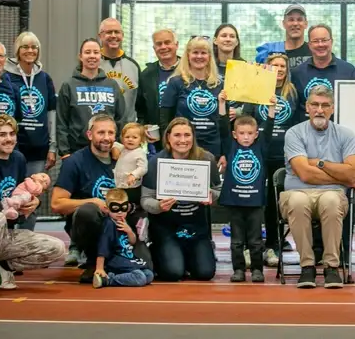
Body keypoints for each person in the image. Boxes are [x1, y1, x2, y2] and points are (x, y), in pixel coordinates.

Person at [0, 115, 65, 300]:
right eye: (2, 135)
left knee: (57, 248)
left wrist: (31, 203)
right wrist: (20, 211)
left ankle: (4, 266)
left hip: (6, 232)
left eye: (12, 134)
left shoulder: (18, 159)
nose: (8, 139)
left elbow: (19, 193)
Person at [280, 85, 355, 289]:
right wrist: (340, 176)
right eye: (315, 105)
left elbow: (353, 173)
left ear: (332, 108)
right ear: (307, 107)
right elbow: (304, 173)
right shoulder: (294, 133)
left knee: (331, 200)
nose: (319, 110)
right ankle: (307, 265)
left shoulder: (346, 135)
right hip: (296, 192)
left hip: (332, 194)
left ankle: (331, 267)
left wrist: (320, 163)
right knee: (298, 201)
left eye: (325, 105)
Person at [141, 118, 220, 282]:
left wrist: (210, 194)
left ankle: (190, 255)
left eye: (187, 135)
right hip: (166, 228)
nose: (182, 140)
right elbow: (145, 199)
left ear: (193, 136)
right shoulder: (156, 162)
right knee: (173, 273)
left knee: (205, 273)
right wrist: (158, 205)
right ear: (168, 137)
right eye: (177, 135)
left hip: (196, 228)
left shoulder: (206, 159)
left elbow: (219, 191)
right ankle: (159, 250)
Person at [51, 114, 120, 283]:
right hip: (91, 224)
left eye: (111, 133)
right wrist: (93, 201)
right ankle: (92, 260)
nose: (106, 138)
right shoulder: (74, 162)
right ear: (89, 135)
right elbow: (56, 203)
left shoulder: (124, 158)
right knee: (88, 211)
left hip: (120, 222)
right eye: (101, 132)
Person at [219, 93, 276, 283]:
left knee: (255, 239)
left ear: (256, 134)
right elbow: (221, 126)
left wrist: (271, 108)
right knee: (236, 241)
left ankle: (258, 269)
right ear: (235, 134)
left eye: (250, 133)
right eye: (241, 133)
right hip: (234, 201)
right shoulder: (230, 146)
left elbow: (269, 128)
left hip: (255, 201)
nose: (245, 137)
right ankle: (238, 269)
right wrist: (222, 104)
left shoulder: (261, 147)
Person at [4, 31, 58, 230]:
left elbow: (51, 113)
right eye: (25, 46)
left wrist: (52, 146)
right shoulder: (7, 77)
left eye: (34, 47)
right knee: (10, 196)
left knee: (31, 197)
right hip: (14, 149)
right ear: (18, 50)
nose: (30, 51)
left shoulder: (45, 79)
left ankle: (25, 243)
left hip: (38, 148)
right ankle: (6, 241)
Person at [259, 52, 301, 267]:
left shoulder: (293, 93)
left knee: (277, 202)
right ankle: (256, 245)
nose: (279, 69)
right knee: (258, 200)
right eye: (274, 65)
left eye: (283, 66)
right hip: (260, 153)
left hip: (284, 155)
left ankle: (274, 243)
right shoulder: (257, 90)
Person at [160, 36, 227, 166]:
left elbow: (224, 122)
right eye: (195, 52)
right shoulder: (176, 82)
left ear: (209, 57)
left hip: (213, 148)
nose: (199, 56)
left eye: (203, 53)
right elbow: (165, 120)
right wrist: (168, 147)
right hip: (182, 147)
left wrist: (225, 152)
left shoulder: (219, 84)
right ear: (188, 55)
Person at [57, 38, 126, 159]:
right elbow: (61, 122)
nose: (92, 56)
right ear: (80, 56)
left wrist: (117, 146)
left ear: (101, 55)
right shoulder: (68, 85)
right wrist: (64, 151)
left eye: (96, 52)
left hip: (107, 152)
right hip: (76, 151)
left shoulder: (112, 85)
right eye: (87, 52)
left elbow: (121, 119)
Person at [92, 188, 154, 289]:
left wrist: (129, 230)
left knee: (149, 274)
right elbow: (103, 247)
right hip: (115, 259)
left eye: (123, 208)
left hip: (127, 256)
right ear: (107, 208)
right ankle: (108, 280)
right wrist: (99, 268)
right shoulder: (109, 224)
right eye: (115, 208)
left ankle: (117, 276)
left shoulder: (123, 221)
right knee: (140, 277)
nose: (120, 212)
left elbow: (132, 241)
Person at [290, 24, 355, 102]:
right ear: (310, 45)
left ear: (331, 42)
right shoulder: (297, 73)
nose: (320, 44)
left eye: (324, 40)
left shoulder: (348, 70)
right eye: (315, 41)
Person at [136, 28, 179, 143]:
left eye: (167, 42)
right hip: (157, 140)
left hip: (185, 137)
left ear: (176, 45)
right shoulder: (146, 75)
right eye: (159, 44)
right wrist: (143, 126)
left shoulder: (189, 71)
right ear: (154, 48)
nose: (163, 47)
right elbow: (139, 108)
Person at [98, 17, 142, 122]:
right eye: (109, 32)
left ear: (122, 35)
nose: (113, 35)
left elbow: (141, 103)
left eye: (117, 32)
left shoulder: (133, 66)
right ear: (100, 36)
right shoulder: (93, 64)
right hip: (100, 131)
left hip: (128, 132)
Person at [255, 4, 312, 68]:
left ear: (306, 24)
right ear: (284, 24)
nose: (295, 23)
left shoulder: (314, 51)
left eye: (299, 19)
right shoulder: (270, 50)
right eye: (291, 20)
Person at [112, 122, 149, 190]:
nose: (130, 139)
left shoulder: (140, 152)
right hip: (118, 185)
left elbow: (143, 168)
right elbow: (115, 144)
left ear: (141, 140)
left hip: (132, 187)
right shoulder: (123, 148)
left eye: (134, 137)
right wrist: (115, 148)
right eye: (127, 137)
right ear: (122, 139)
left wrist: (134, 175)